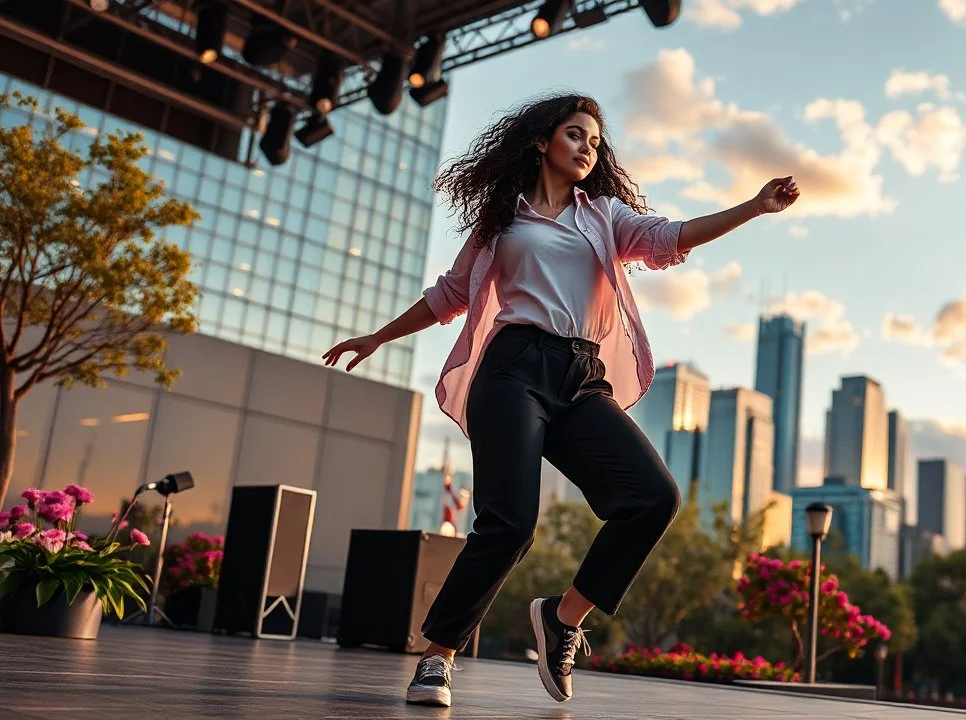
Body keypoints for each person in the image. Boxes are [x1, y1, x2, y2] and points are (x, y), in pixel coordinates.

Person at [322, 92, 799, 708]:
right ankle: (436, 659)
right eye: (576, 135)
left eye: (595, 142)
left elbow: (672, 236)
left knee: (653, 497)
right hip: (513, 369)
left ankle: (562, 619)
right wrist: (377, 338)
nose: (587, 148)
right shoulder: (502, 223)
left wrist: (754, 207)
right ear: (543, 139)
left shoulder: (603, 216)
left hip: (580, 376)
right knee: (511, 522)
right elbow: (449, 295)